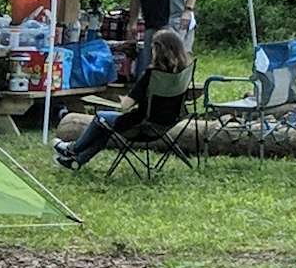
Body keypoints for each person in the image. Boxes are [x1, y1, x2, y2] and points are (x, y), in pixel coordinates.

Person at [58, 23, 197, 168]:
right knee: (105, 127)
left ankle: (72, 149)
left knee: (101, 118)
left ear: (158, 50)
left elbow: (125, 106)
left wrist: (123, 99)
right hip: (167, 124)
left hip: (141, 127)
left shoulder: (151, 76)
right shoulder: (182, 73)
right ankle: (78, 160)